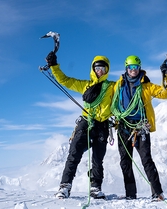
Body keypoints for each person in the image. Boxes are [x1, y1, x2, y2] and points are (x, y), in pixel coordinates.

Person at [45, 51, 115, 199]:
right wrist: (54, 66)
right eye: (97, 68)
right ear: (93, 69)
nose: (99, 71)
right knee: (74, 154)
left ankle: (95, 188)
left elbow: (127, 88)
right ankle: (65, 186)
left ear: (107, 70)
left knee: (97, 159)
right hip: (86, 123)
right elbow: (65, 80)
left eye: (103, 68)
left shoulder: (113, 87)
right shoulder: (85, 85)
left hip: (102, 125)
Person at [111, 55, 167, 201]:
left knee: (146, 160)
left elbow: (165, 93)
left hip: (141, 127)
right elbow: (111, 102)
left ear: (139, 68)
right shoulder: (118, 85)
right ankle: (131, 194)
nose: (133, 70)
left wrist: (165, 75)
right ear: (126, 68)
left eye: (136, 67)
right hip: (124, 126)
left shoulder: (146, 86)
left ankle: (157, 192)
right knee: (125, 161)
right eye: (131, 67)